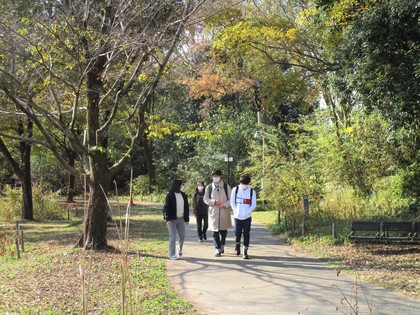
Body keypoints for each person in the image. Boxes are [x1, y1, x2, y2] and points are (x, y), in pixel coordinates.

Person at [204, 169, 232, 257]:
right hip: (213, 212)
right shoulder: (209, 187)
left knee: (223, 231)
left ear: (220, 176)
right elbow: (205, 199)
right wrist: (214, 202)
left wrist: (224, 205)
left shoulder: (226, 186)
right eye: (214, 176)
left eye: (217, 176)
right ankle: (217, 249)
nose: (215, 178)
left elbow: (231, 199)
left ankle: (222, 244)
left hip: (224, 211)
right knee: (214, 231)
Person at [230, 174, 257, 259]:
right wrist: (235, 211)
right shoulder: (235, 189)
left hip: (247, 217)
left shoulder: (252, 191)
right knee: (237, 233)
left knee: (246, 234)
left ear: (248, 183)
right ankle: (237, 245)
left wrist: (247, 212)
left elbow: (253, 204)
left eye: (245, 184)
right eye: (242, 184)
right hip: (237, 216)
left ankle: (245, 251)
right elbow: (232, 202)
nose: (244, 186)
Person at [162, 179, 190, 260]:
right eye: (182, 185)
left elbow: (186, 207)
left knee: (182, 235)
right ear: (177, 185)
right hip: (172, 219)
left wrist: (186, 219)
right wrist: (167, 218)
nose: (183, 187)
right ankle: (172, 254)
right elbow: (165, 208)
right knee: (173, 237)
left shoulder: (184, 195)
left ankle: (180, 249)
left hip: (181, 218)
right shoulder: (170, 195)